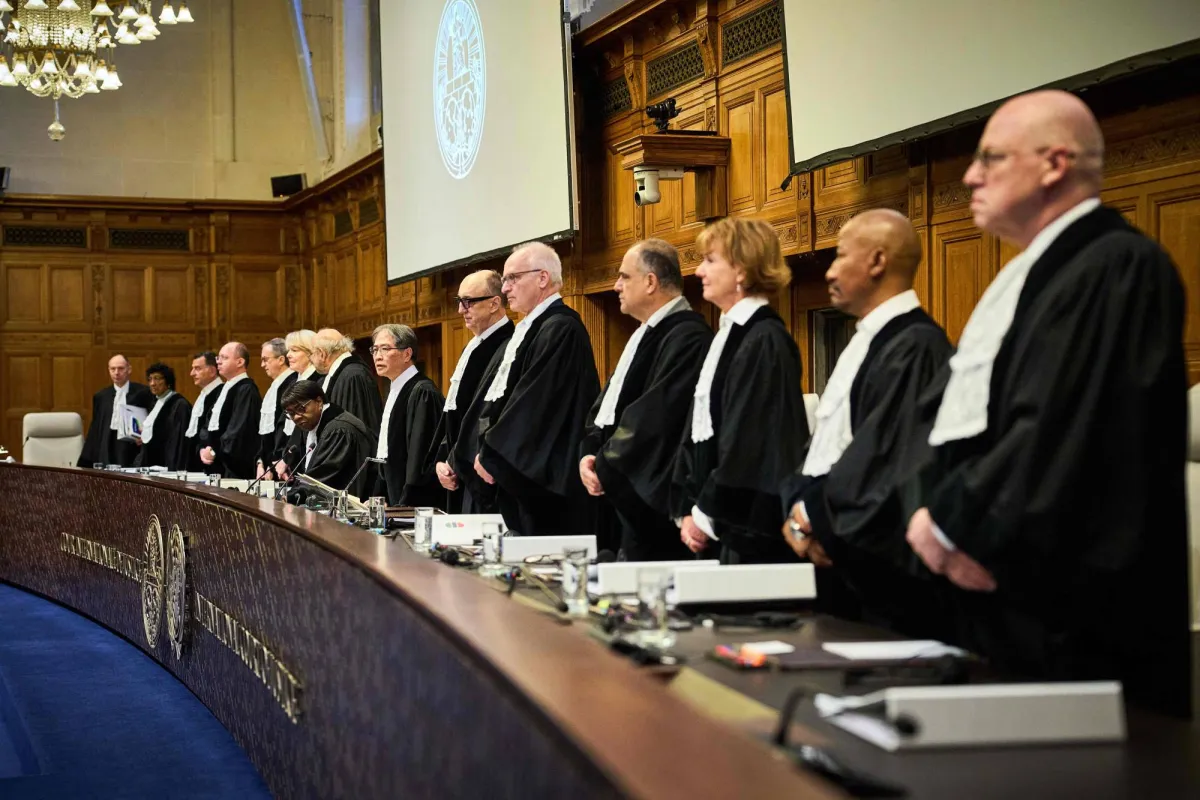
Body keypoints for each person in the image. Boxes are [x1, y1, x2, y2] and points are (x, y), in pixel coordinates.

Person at [903, 90, 1191, 717]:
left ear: (1055, 164)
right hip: (993, 594)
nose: (970, 176)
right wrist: (932, 515)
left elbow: (1060, 429)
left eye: (991, 158)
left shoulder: (1117, 265)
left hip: (1066, 614)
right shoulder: (1033, 272)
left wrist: (952, 524)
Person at [779, 209, 952, 629]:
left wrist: (814, 518)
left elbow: (886, 462)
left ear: (877, 261)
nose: (830, 271)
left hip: (876, 572)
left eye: (840, 256)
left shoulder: (915, 345)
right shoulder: (866, 339)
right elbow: (824, 445)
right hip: (833, 552)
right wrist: (798, 508)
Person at [672, 218, 809, 564]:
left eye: (710, 260)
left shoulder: (764, 339)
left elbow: (750, 441)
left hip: (747, 530)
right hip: (716, 522)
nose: (699, 271)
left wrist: (705, 515)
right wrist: (688, 508)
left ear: (742, 270)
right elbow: (700, 431)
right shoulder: (729, 335)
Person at [579, 239, 712, 561]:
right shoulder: (644, 333)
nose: (616, 286)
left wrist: (605, 462)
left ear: (651, 282)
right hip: (621, 489)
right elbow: (608, 405)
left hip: (656, 505)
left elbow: (654, 419)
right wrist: (589, 453)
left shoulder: (688, 336)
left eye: (624, 277)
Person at [474, 242, 600, 536]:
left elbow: (533, 404)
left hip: (550, 485)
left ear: (543, 278)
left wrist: (493, 455)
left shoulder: (560, 328)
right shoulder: (535, 328)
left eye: (513, 278)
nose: (505, 288)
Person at [431, 270, 514, 513]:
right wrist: (443, 460)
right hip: (460, 470)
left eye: (468, 302)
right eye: (459, 302)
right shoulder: (473, 346)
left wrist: (456, 459)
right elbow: (455, 411)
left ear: (494, 303)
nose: (460, 310)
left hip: (484, 473)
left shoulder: (509, 346)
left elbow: (490, 415)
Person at [371, 323, 443, 507]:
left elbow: (421, 456)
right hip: (395, 497)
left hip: (415, 503)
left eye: (385, 349)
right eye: (375, 349)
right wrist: (380, 497)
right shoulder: (395, 388)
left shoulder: (422, 392)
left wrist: (405, 505)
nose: (378, 356)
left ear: (407, 354)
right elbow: (386, 451)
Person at [279, 379, 377, 501]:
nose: (297, 417)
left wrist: (289, 497)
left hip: (356, 504)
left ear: (319, 402)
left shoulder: (339, 430)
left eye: (301, 408)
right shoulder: (311, 424)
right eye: (291, 413)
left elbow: (322, 477)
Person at [78, 354, 154, 468]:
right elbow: (96, 427)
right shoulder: (101, 396)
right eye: (113, 369)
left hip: (133, 445)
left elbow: (152, 419)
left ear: (129, 369)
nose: (116, 373)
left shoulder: (144, 393)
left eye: (121, 368)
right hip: (108, 442)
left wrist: (145, 434)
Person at [199, 342, 262, 479]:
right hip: (215, 463)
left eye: (224, 358)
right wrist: (204, 448)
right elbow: (209, 422)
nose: (218, 362)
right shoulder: (223, 389)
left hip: (235, 466)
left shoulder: (246, 389)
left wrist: (215, 451)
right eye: (218, 358)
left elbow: (238, 429)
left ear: (240, 362)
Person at [311, 327, 382, 433]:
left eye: (312, 353)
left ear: (322, 354)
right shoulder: (341, 374)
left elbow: (356, 429)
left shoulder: (353, 375)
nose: (311, 358)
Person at [132, 363, 193, 471]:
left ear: (168, 381)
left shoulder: (179, 405)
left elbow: (179, 442)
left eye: (157, 378)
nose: (152, 383)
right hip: (151, 463)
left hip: (166, 465)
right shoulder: (156, 402)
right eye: (150, 379)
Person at [256, 338, 297, 479]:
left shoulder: (291, 383)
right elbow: (266, 431)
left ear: (281, 360)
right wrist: (261, 461)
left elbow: (284, 429)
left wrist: (277, 460)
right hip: (271, 465)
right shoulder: (276, 385)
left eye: (265, 359)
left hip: (283, 464)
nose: (262, 365)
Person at [183, 351, 223, 471]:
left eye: (197, 368)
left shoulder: (221, 394)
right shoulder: (204, 394)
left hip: (213, 463)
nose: (192, 373)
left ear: (212, 371)